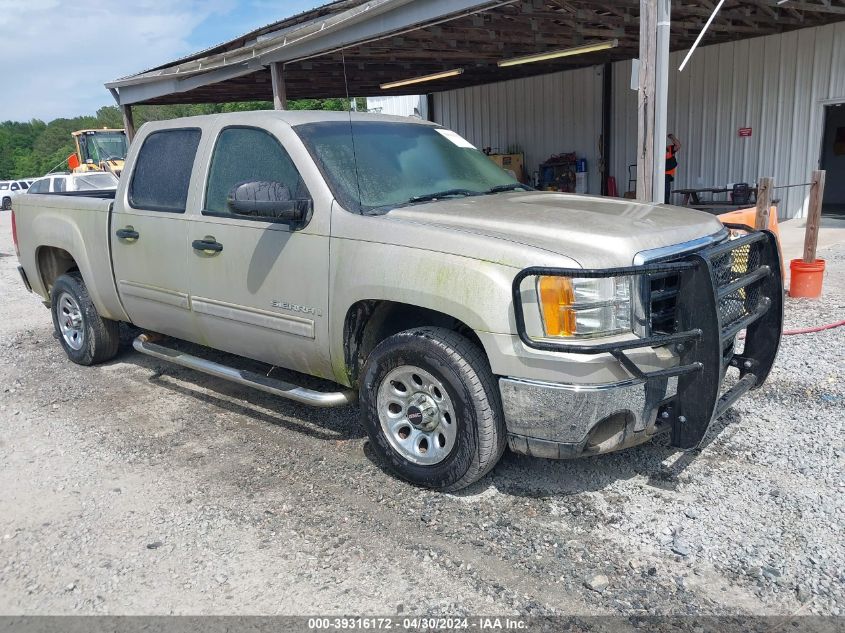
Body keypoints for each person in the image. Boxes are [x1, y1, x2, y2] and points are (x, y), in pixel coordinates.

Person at [665, 133, 681, 204]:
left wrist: (673, 138)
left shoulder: (669, 149)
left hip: (666, 175)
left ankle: (665, 205)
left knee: (666, 192)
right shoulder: (654, 149)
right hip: (656, 175)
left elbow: (678, 146)